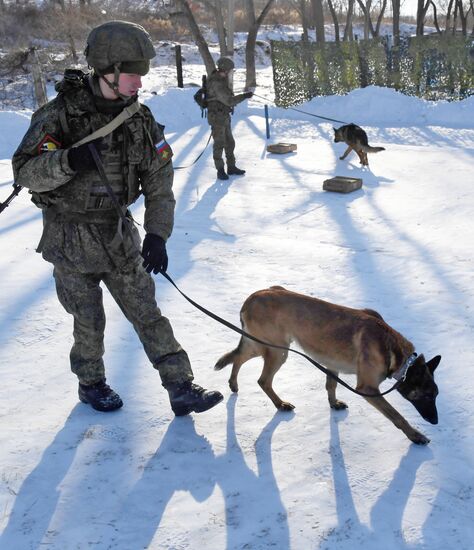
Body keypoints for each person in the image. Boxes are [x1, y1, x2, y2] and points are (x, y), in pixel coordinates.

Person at [12, 20, 223, 416]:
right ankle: (91, 383)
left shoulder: (139, 121)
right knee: (88, 321)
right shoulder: (59, 116)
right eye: (131, 75)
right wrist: (67, 160)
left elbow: (160, 184)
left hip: (117, 234)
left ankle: (180, 386)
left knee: (147, 312)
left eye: (140, 75)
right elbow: (24, 171)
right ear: (106, 70)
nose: (138, 84)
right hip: (69, 237)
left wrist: (158, 235)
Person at [206, 56, 253, 181]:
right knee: (219, 144)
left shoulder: (221, 79)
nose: (231, 72)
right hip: (217, 118)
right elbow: (229, 101)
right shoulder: (216, 82)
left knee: (230, 143)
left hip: (224, 116)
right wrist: (244, 96)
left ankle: (231, 167)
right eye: (230, 70)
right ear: (225, 69)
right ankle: (220, 170)